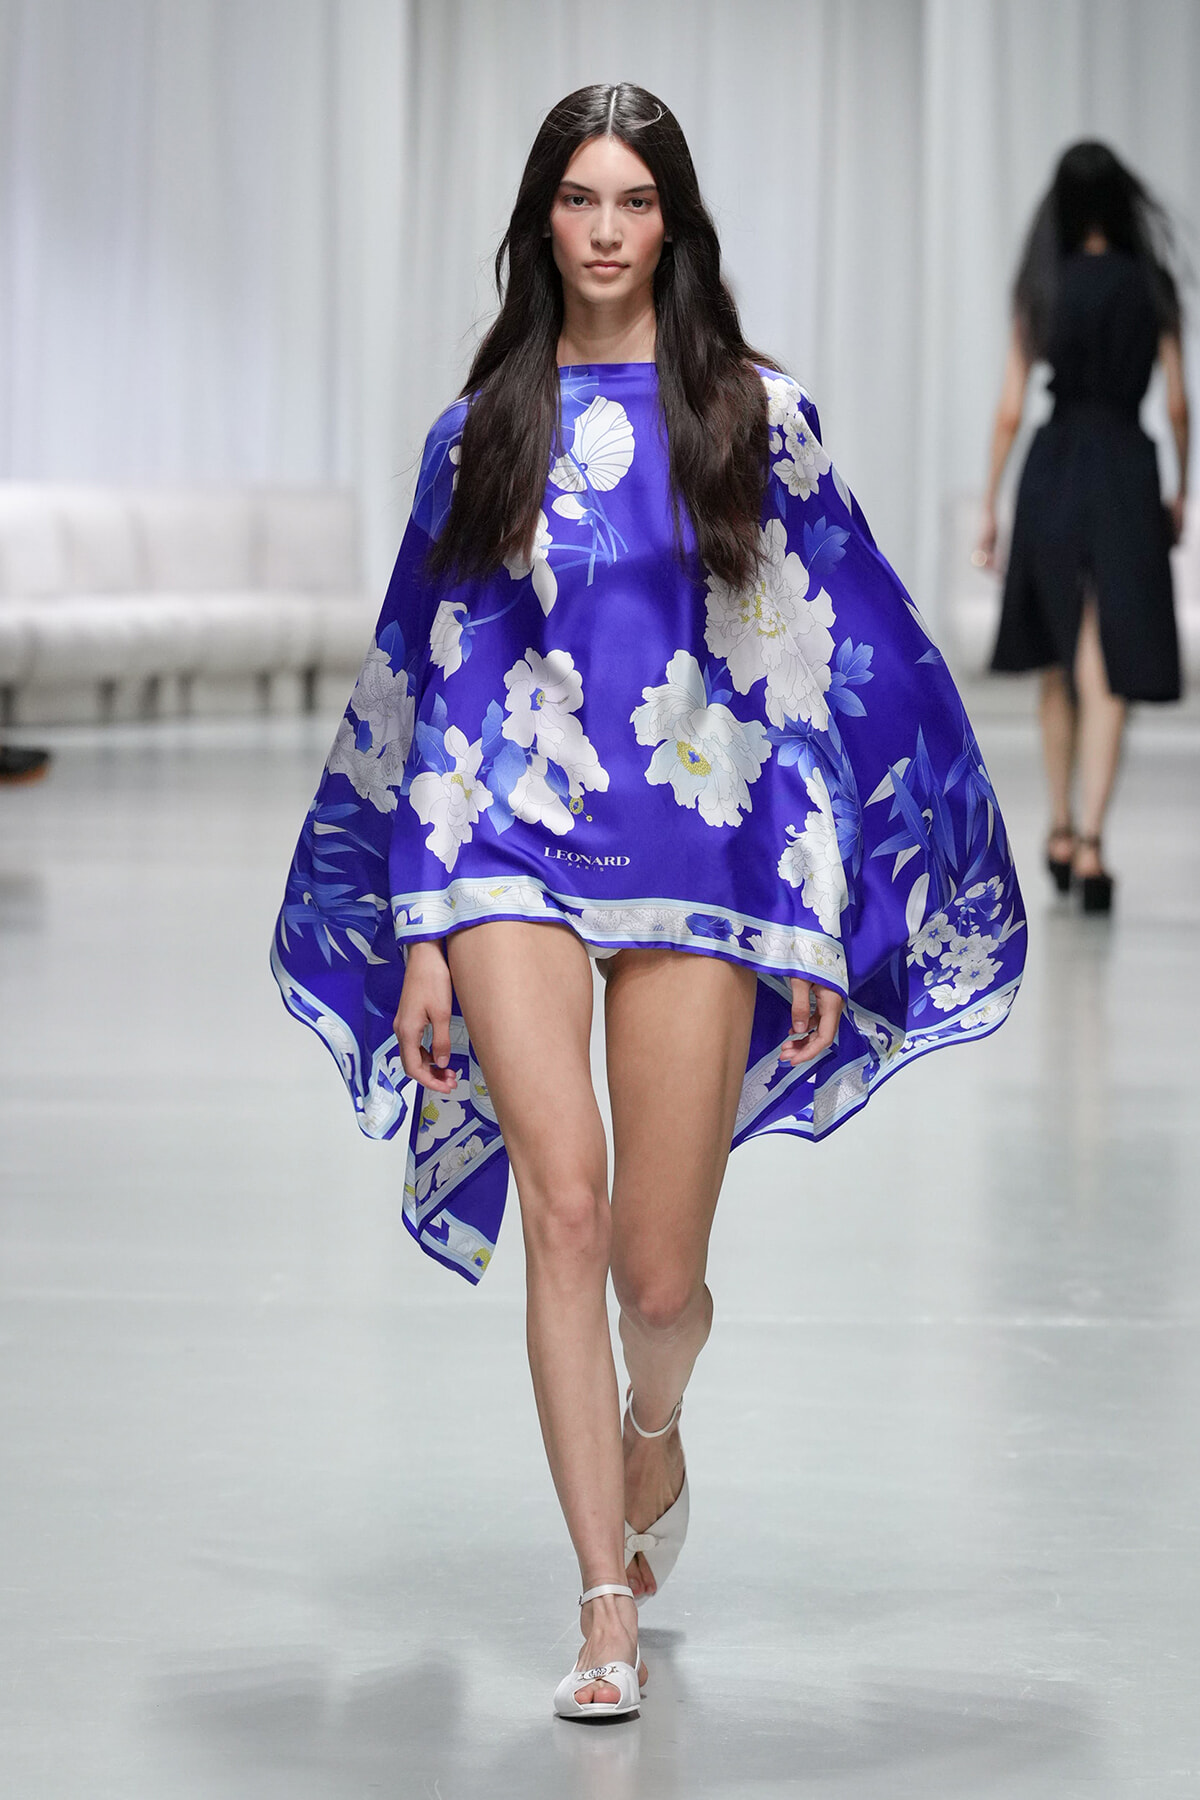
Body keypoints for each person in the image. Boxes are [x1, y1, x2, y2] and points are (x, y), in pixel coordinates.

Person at [272, 83, 1026, 1722]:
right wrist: (418, 921)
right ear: (541, 221)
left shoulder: (756, 418)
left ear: (670, 223)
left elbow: (819, 663)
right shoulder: (484, 433)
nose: (605, 229)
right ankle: (603, 1598)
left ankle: (654, 1418)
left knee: (656, 1275)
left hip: (698, 844)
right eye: (578, 199)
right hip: (510, 851)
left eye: (633, 201)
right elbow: (438, 677)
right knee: (561, 1204)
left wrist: (820, 897)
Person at [977, 140, 1187, 913]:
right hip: (1127, 468)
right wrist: (1181, 491)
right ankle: (1093, 841)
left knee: (1060, 657)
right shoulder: (1153, 285)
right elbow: (1175, 404)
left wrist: (991, 506)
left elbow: (1008, 406)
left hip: (1056, 465)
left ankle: (1060, 827)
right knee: (1110, 657)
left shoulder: (1043, 285)